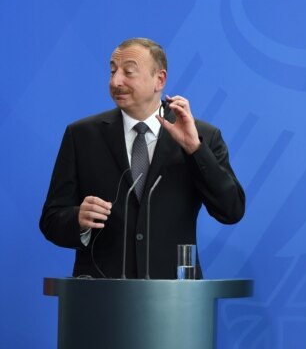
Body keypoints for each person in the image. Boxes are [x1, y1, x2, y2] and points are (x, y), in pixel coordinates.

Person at [40, 38, 245, 279]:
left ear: (159, 79)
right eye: (113, 71)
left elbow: (231, 210)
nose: (116, 81)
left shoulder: (202, 137)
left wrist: (195, 149)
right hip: (100, 298)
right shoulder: (82, 136)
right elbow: (51, 219)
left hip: (174, 298)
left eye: (129, 72)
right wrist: (78, 220)